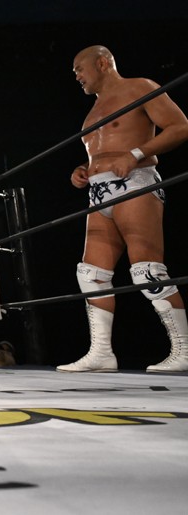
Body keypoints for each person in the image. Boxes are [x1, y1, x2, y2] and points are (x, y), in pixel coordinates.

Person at [59, 45, 188, 373]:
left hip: (134, 182)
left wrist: (134, 154)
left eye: (80, 68)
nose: (77, 76)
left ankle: (184, 351)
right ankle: (101, 353)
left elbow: (180, 126)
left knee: (147, 269)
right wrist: (82, 170)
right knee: (90, 273)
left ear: (103, 63)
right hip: (98, 192)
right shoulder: (92, 112)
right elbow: (101, 154)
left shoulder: (139, 87)